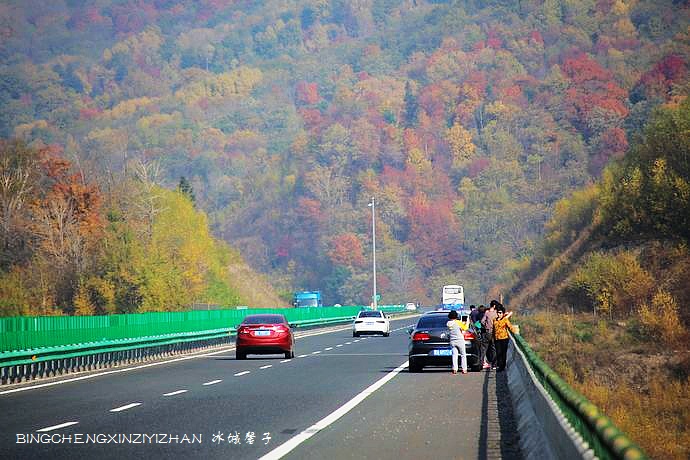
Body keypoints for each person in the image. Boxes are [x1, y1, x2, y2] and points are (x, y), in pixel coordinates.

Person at [493, 304, 514, 372]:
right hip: (497, 339)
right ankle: (500, 366)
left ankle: (502, 366)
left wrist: (514, 332)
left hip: (504, 338)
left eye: (500, 313)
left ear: (503, 313)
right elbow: (494, 329)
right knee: (498, 352)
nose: (499, 314)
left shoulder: (505, 320)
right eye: (498, 313)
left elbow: (510, 326)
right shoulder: (494, 320)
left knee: (503, 353)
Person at [447, 310, 468, 374]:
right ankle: (464, 369)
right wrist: (467, 322)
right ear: (456, 316)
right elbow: (465, 328)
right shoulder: (458, 322)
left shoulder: (448, 323)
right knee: (463, 355)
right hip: (460, 340)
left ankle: (455, 369)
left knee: (454, 355)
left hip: (452, 340)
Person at [481, 301, 499, 369]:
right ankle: (494, 364)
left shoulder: (487, 313)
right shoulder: (497, 313)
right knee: (494, 349)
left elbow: (482, 321)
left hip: (487, 332)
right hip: (494, 332)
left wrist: (486, 326)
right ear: (494, 306)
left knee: (484, 349)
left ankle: (482, 363)